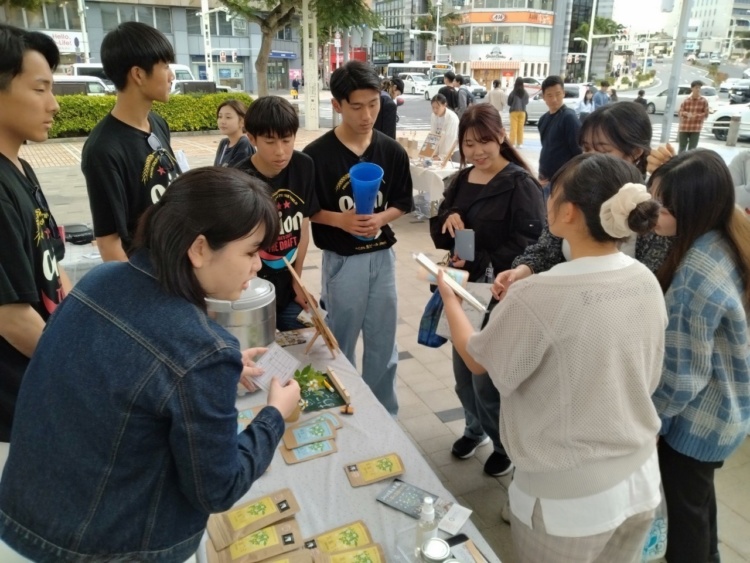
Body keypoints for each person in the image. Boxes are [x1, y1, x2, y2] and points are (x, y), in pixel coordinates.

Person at [0, 167, 302, 562]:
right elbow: (217, 488)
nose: (257, 266)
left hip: (23, 518)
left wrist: (217, 372)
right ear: (198, 249)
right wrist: (274, 415)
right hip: (109, 547)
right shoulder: (203, 351)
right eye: (249, 252)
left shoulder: (100, 279)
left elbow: (131, 387)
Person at [439, 153, 665, 561]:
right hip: (641, 478)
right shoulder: (644, 279)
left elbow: (478, 360)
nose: (546, 200)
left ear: (570, 212)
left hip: (569, 501)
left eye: (552, 192)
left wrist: (450, 297)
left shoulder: (540, 296)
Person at [429, 104, 545, 477]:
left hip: (498, 293)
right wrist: (447, 220)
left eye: (484, 142)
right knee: (463, 374)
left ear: (500, 137)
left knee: (486, 381)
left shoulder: (519, 184)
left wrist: (479, 254)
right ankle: (473, 429)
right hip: (463, 291)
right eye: (469, 144)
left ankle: (503, 444)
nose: (477, 151)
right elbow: (440, 231)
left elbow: (530, 244)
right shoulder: (461, 180)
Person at [648, 150, 750, 563]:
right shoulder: (727, 234)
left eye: (663, 206)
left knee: (683, 521)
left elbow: (682, 375)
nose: (653, 213)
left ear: (692, 210)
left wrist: (654, 421)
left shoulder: (695, 274)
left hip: (698, 419)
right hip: (726, 411)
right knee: (699, 504)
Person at [303, 61, 413, 416]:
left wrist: (380, 217)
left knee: (383, 343)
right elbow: (311, 209)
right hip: (342, 261)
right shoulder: (316, 156)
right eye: (356, 106)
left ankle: (386, 417)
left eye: (374, 104)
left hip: (383, 259)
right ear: (337, 105)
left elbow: (402, 202)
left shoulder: (391, 151)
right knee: (340, 344)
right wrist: (343, 221)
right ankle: (344, 413)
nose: (367, 115)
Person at [494, 102, 672, 300]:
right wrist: (522, 271)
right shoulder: (576, 188)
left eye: (603, 151)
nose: (591, 159)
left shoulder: (648, 207)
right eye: (586, 148)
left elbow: (650, 280)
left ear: (636, 153)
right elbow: (547, 247)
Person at [0, 24, 71, 448]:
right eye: (40, 88)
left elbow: (51, 265)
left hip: (42, 378)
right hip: (14, 407)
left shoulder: (21, 168)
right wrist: (79, 367)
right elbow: (10, 316)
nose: (54, 105)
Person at [81, 22, 180, 262]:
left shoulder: (158, 123)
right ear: (138, 74)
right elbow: (109, 242)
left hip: (176, 265)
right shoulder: (103, 150)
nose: (171, 75)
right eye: (165, 66)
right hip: (145, 276)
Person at [235, 96, 320, 332]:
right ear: (251, 138)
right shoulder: (237, 178)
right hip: (249, 290)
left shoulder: (304, 166)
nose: (281, 151)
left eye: (286, 140)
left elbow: (302, 226)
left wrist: (298, 281)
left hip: (287, 288)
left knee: (313, 341)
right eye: (270, 141)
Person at [537, 75, 582, 186]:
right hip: (544, 177)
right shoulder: (543, 119)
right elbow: (547, 147)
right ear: (543, 97)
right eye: (549, 95)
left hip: (562, 181)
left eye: (558, 94)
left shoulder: (569, 118)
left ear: (563, 93)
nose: (554, 99)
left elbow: (579, 153)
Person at [214, 99, 253, 168]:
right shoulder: (224, 143)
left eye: (228, 117)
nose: (222, 121)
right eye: (220, 117)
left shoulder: (244, 143)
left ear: (242, 121)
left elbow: (236, 175)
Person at [677, 80, 708, 153]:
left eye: (699, 88)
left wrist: (696, 116)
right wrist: (686, 114)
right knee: (681, 148)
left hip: (695, 128)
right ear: (692, 88)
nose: (698, 89)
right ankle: (679, 163)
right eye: (696, 87)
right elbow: (680, 112)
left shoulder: (703, 101)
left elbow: (706, 114)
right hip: (684, 127)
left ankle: (689, 164)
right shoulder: (686, 100)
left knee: (692, 150)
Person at [429, 93, 459, 160]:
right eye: (433, 107)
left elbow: (450, 139)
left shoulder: (452, 118)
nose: (435, 110)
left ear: (444, 105)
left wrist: (441, 157)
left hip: (452, 152)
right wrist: (430, 152)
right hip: (439, 152)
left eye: (437, 107)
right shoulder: (433, 116)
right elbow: (433, 134)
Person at [507, 77, 529, 149]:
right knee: (520, 128)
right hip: (522, 111)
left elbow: (509, 102)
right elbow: (526, 102)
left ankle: (512, 143)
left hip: (514, 111)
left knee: (513, 128)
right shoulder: (525, 93)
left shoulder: (513, 92)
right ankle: (520, 143)